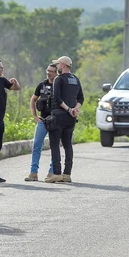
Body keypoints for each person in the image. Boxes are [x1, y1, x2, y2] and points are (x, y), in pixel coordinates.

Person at [45, 56, 83, 184]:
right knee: (67, 145)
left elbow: (57, 98)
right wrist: (74, 110)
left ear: (64, 65)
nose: (57, 67)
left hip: (59, 116)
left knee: (55, 145)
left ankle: (56, 173)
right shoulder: (76, 79)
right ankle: (67, 174)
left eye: (58, 64)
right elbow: (81, 98)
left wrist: (68, 109)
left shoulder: (58, 79)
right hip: (71, 118)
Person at [26, 64, 58, 182]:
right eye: (47, 71)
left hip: (55, 120)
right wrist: (34, 116)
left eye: (52, 71)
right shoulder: (42, 85)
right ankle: (33, 172)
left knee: (54, 147)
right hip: (43, 120)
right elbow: (33, 99)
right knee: (37, 145)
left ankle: (52, 172)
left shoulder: (59, 85)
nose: (49, 73)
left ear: (56, 73)